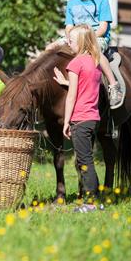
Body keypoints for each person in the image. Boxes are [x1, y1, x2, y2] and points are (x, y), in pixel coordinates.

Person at [47, 0, 123, 109]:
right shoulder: (71, 2)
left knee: (97, 53)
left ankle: (113, 86)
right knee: (49, 48)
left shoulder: (102, 1)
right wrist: (69, 37)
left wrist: (86, 38)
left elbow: (103, 28)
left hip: (96, 38)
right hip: (75, 37)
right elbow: (69, 26)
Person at [53, 24, 103, 212]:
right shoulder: (94, 61)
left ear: (81, 42)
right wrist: (66, 81)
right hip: (93, 118)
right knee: (87, 158)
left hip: (80, 118)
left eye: (71, 40)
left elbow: (72, 96)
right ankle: (97, 199)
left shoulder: (75, 63)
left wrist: (66, 121)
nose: (68, 43)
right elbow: (86, 86)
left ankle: (90, 203)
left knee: (84, 161)